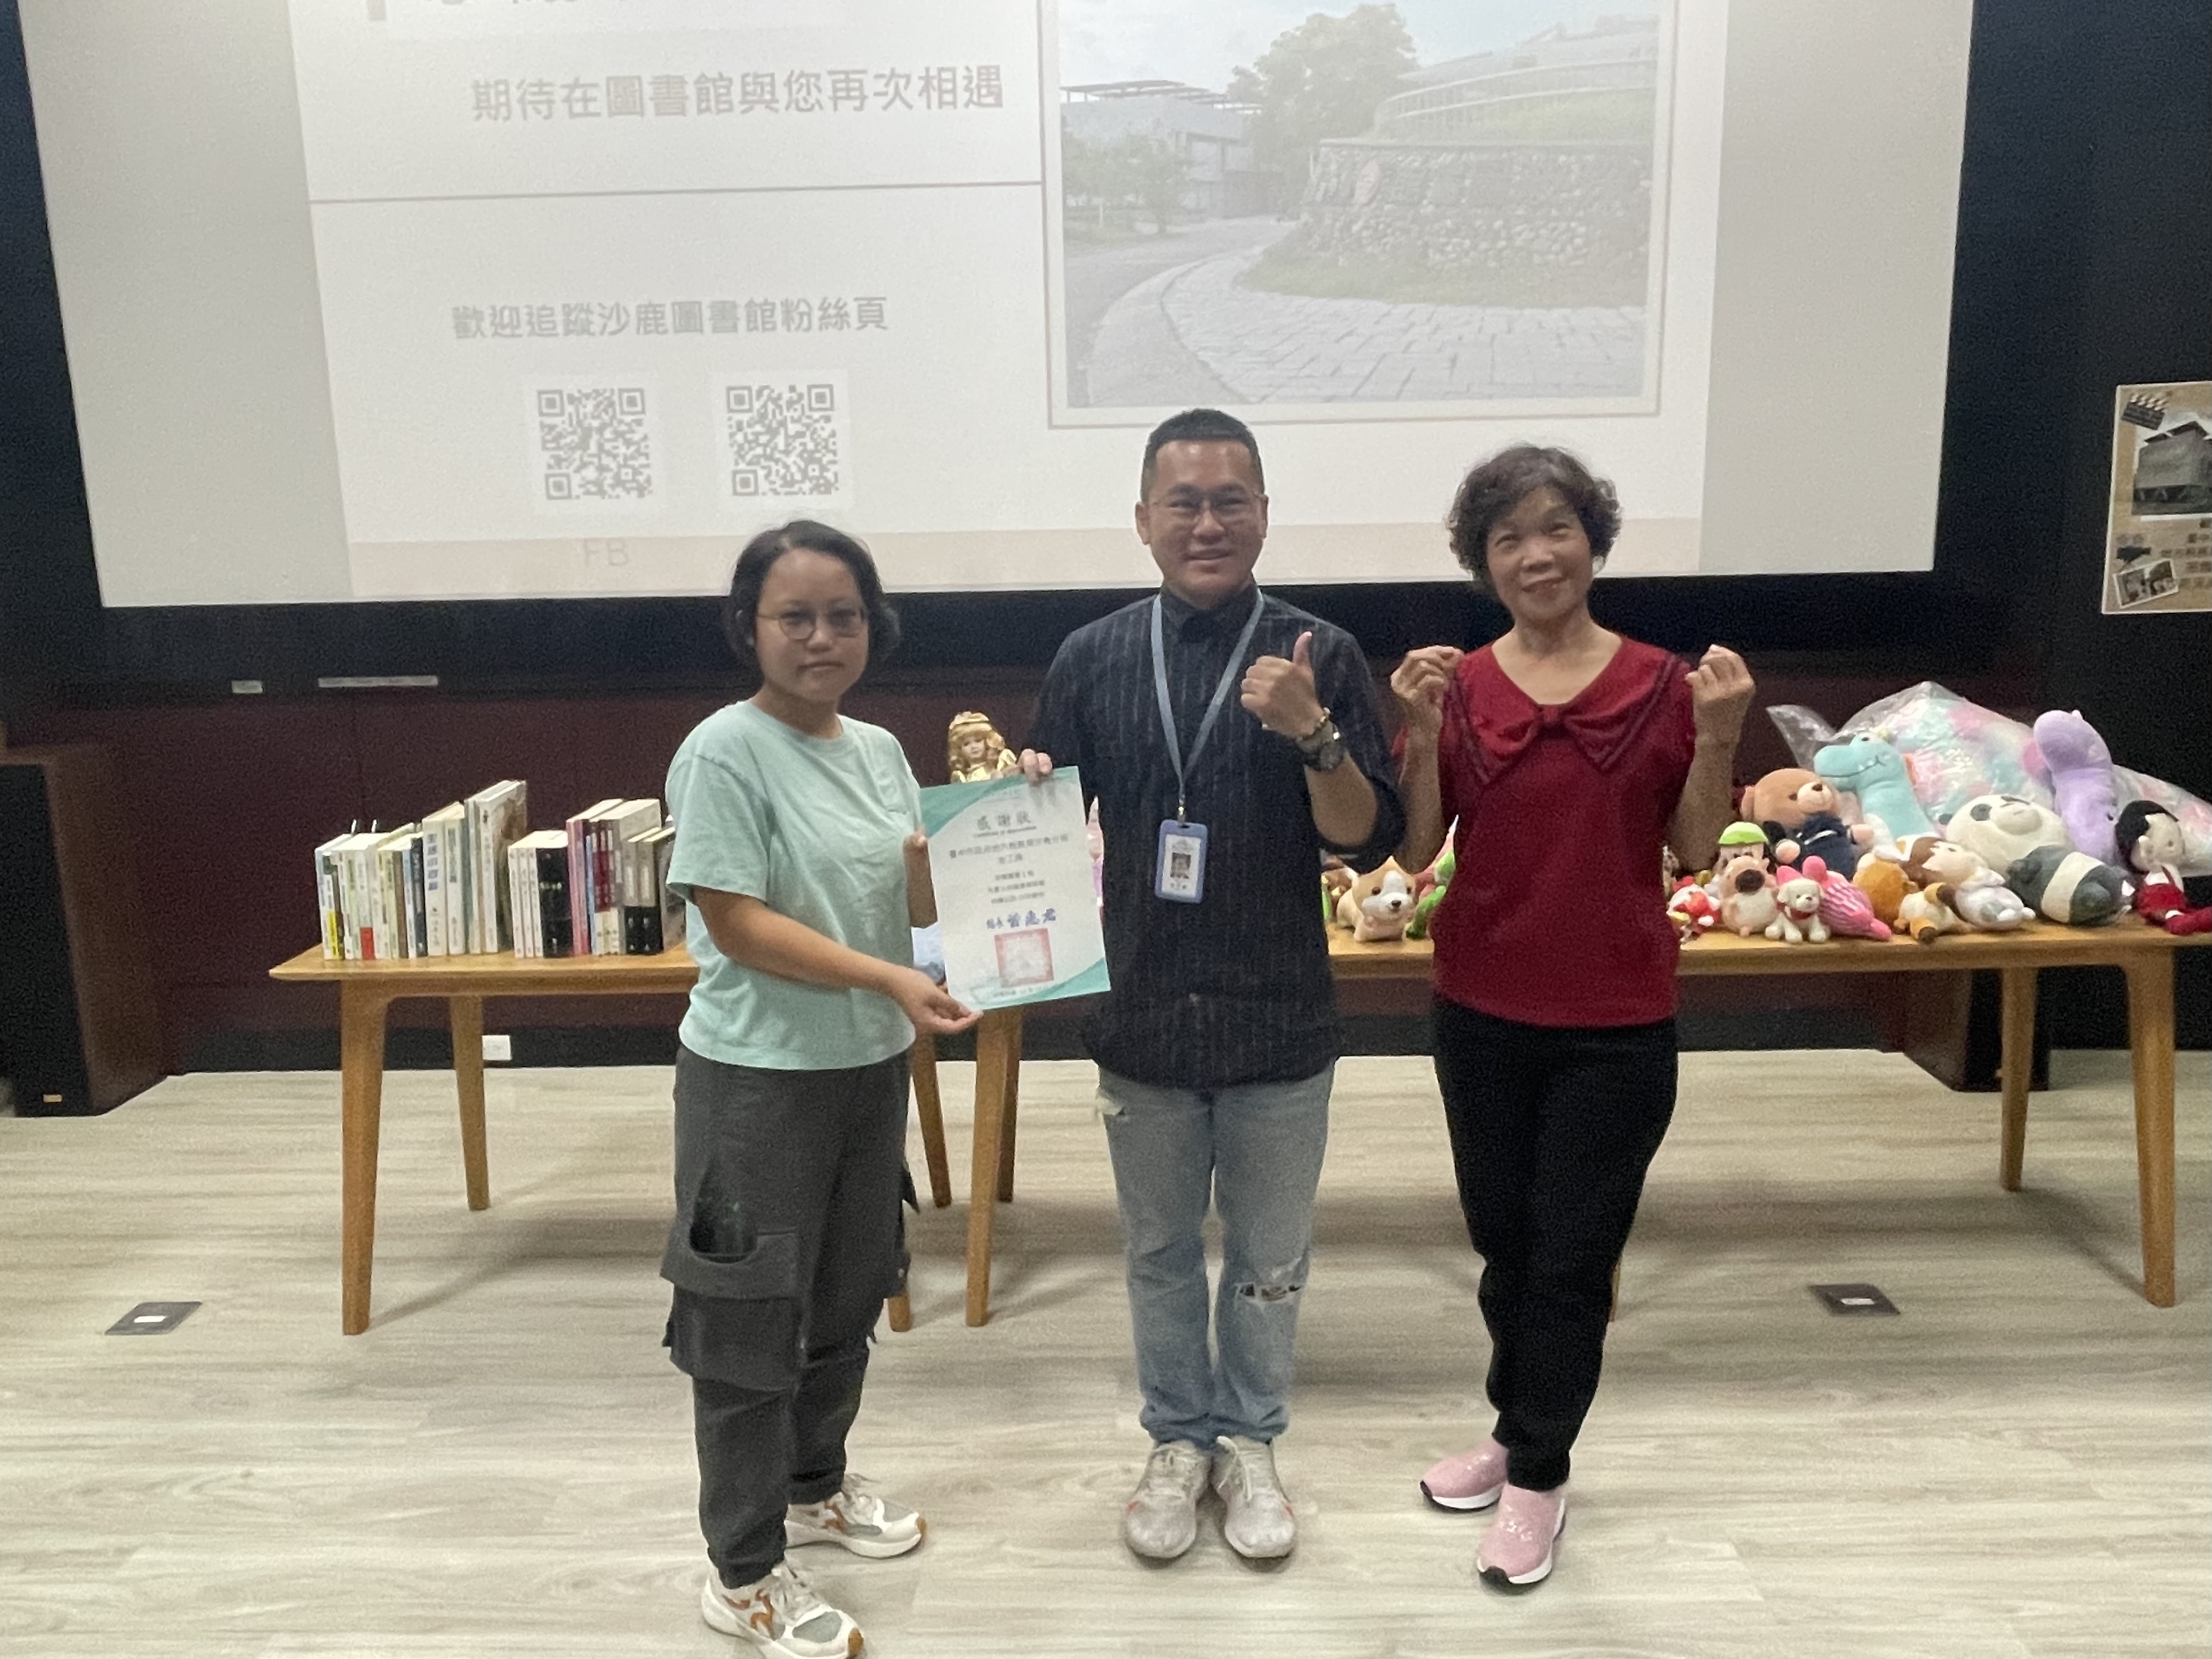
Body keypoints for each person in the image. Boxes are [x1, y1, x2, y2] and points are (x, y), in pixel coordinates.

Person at [1019, 408, 1407, 1563]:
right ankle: (1177, 1438)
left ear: (1264, 515)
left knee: (1270, 1258)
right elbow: (1042, 828)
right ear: (1143, 519)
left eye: (1229, 500)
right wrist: (1023, 797)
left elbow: (1365, 838)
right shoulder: (1090, 657)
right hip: (1143, 1007)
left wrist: (1314, 733)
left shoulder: (1321, 653)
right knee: (1156, 1252)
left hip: (1277, 1009)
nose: (1206, 522)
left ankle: (1249, 1438)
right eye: (1182, 502)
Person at [1391, 445, 1753, 1589]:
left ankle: (1540, 1475)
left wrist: (1723, 738)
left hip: (1615, 1018)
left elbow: (1696, 847)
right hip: (1479, 1008)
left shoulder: (1664, 684)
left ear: (1593, 540)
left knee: (1571, 1257)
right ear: (1483, 561)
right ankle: (1516, 1431)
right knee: (1504, 1244)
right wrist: (1417, 732)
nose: (1536, 554)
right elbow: (1417, 847)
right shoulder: (1460, 687)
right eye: (1509, 537)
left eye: (1557, 528)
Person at [660, 520, 977, 1658]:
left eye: (843, 615)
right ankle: (743, 1569)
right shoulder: (722, 750)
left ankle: (813, 1485)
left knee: (848, 1294)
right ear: (748, 627)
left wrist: (993, 828)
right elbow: (738, 923)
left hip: (865, 1067)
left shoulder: (881, 750)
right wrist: (889, 977)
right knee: (747, 1324)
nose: (821, 636)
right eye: (793, 616)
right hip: (756, 1079)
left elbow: (917, 904)